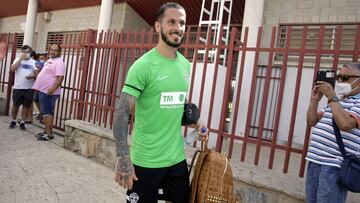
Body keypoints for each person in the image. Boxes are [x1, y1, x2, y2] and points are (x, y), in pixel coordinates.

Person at [113, 2, 208, 203]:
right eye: (171, 21)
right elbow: (122, 113)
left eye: (182, 23)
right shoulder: (143, 66)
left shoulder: (184, 64)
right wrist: (123, 158)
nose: (178, 27)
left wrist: (195, 123)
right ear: (158, 26)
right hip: (145, 161)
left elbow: (175, 101)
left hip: (176, 160)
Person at [306, 63, 360, 203]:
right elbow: (312, 121)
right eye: (339, 77)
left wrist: (332, 97)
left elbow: (345, 124)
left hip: (334, 166)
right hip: (315, 160)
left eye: (345, 77)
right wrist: (314, 101)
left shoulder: (344, 101)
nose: (340, 81)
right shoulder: (339, 100)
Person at [32, 44, 65, 141]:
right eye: (51, 50)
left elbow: (60, 77)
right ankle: (45, 131)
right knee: (39, 105)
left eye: (55, 50)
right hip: (41, 89)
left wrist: (53, 89)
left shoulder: (59, 63)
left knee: (47, 113)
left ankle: (49, 134)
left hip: (49, 92)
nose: (52, 52)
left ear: (59, 52)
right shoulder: (49, 60)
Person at [9, 45, 37, 130]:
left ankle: (22, 122)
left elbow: (37, 75)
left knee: (26, 106)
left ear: (31, 52)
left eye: (28, 52)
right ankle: (13, 120)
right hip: (18, 87)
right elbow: (13, 69)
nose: (26, 54)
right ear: (22, 52)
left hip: (29, 88)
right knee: (15, 105)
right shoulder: (17, 60)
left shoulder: (33, 62)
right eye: (24, 51)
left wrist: (32, 77)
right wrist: (20, 59)